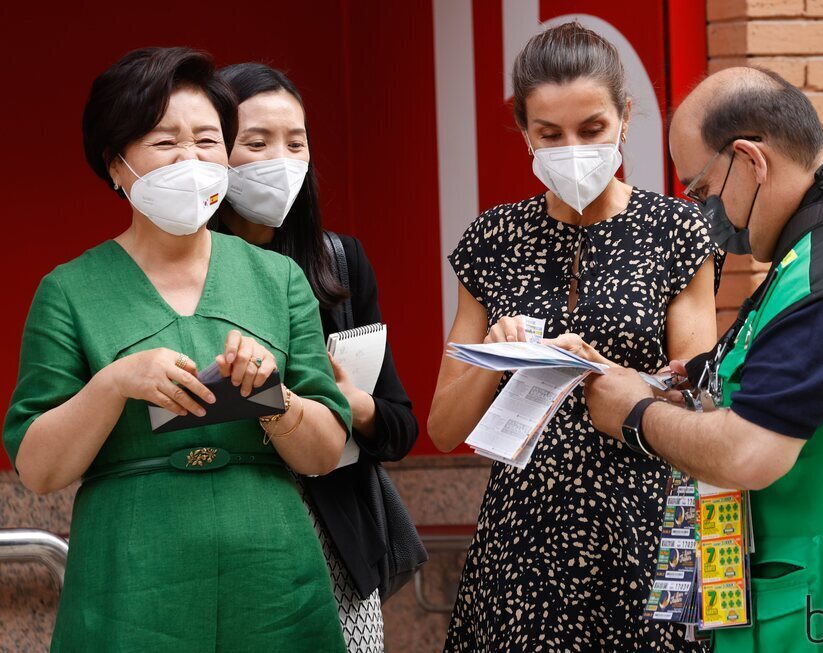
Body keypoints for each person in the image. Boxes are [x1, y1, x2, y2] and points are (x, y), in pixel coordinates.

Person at [563, 67, 823, 652]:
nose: (706, 215)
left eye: (703, 192)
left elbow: (750, 453)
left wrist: (636, 416)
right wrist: (711, 373)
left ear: (749, 161)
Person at [2, 47, 352, 651]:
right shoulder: (69, 290)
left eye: (208, 142)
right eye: (165, 144)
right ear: (116, 165)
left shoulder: (279, 279)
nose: (191, 161)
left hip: (273, 576)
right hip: (132, 579)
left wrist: (273, 397)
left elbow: (324, 451)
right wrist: (114, 383)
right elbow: (38, 467)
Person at [429, 23, 721, 652]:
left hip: (648, 524)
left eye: (590, 129)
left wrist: (608, 374)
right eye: (549, 134)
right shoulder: (492, 239)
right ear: (524, 132)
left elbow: (702, 401)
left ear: (624, 118)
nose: (572, 149)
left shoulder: (678, 230)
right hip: (525, 536)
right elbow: (444, 428)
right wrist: (499, 361)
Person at [211, 62, 418, 653]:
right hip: (228, 534)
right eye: (256, 142)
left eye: (295, 141)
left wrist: (354, 405)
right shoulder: (184, 276)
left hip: (334, 543)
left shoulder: (339, 263)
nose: (281, 159)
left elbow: (401, 427)